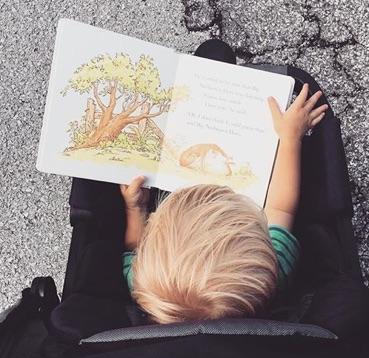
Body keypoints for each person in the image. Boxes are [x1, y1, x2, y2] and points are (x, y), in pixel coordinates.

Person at [119, 84, 328, 324]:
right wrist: (290, 138)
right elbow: (281, 208)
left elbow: (133, 250)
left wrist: (135, 210)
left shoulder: (142, 283)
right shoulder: (273, 268)